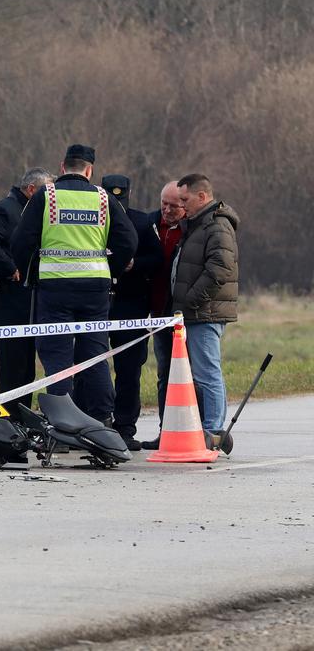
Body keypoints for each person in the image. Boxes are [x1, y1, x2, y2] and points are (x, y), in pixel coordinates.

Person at [11, 144, 137, 423]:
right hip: (95, 289)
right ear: (89, 171)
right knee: (94, 355)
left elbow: (21, 240)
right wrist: (109, 269)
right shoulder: (104, 199)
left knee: (57, 358)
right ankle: (102, 419)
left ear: (62, 166)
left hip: (55, 288)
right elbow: (128, 240)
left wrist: (30, 271)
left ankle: (62, 423)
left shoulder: (47, 196)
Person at [0, 167, 54, 417]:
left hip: (26, 306)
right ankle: (7, 423)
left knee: (25, 368)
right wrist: (9, 267)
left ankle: (20, 420)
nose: (51, 198)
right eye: (46, 191)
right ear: (31, 190)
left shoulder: (28, 210)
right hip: (9, 306)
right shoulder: (6, 210)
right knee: (12, 370)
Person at [171, 173, 239, 440]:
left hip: (204, 313)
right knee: (202, 373)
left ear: (202, 196)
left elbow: (219, 269)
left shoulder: (217, 226)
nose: (181, 206)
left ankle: (213, 430)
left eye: (185, 199)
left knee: (207, 373)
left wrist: (190, 301)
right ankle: (206, 428)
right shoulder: (198, 225)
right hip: (195, 312)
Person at [100, 175, 162, 451]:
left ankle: (125, 427)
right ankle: (96, 421)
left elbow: (158, 258)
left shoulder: (141, 222)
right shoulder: (92, 220)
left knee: (128, 369)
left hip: (131, 304)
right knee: (92, 366)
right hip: (98, 303)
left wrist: (134, 264)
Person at [140, 181, 187, 451]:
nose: (167, 210)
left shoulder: (192, 230)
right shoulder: (149, 224)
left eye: (174, 206)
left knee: (191, 375)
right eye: (163, 204)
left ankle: (198, 429)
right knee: (165, 374)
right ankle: (165, 430)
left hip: (183, 314)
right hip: (158, 313)